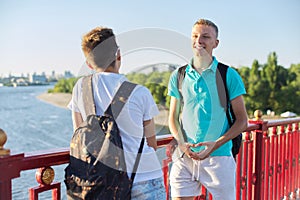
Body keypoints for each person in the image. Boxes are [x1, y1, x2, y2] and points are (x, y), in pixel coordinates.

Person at [68, 27, 166, 199]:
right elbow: (152, 143)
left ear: (89, 64)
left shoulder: (80, 89)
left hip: (101, 182)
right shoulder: (140, 92)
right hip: (143, 177)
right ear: (118, 55)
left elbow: (79, 134)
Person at [167, 19, 248, 199]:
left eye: (205, 36)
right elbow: (172, 118)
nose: (199, 40)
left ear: (215, 43)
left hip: (219, 157)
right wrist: (181, 143)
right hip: (184, 157)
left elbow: (243, 121)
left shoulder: (228, 75)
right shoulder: (178, 75)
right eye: (195, 36)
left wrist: (215, 145)